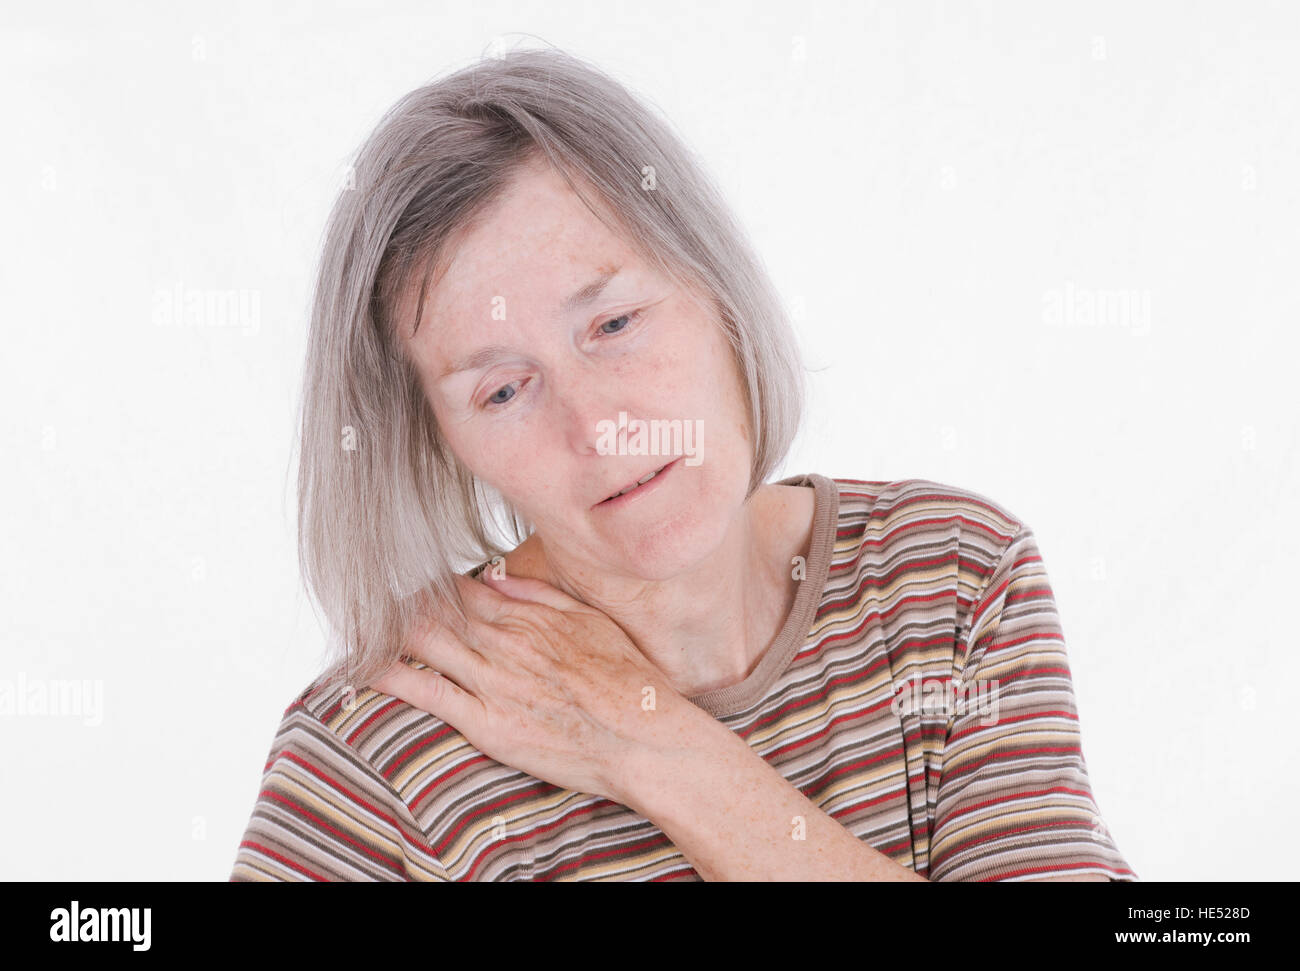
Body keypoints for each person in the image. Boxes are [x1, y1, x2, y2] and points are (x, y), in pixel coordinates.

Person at [230, 46, 1135, 882]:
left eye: (614, 325)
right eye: (504, 390)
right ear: (436, 438)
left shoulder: (951, 578)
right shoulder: (375, 750)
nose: (598, 427)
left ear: (715, 286)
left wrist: (650, 743)